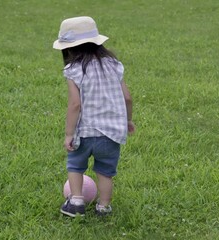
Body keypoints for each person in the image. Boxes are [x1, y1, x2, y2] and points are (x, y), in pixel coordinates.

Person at [53, 16, 135, 217]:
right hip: (110, 134)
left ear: (69, 48)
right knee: (105, 172)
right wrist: (127, 121)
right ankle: (104, 207)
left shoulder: (73, 70)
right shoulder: (114, 65)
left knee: (75, 166)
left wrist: (68, 134)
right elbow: (127, 98)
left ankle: (76, 202)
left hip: (84, 132)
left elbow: (75, 104)